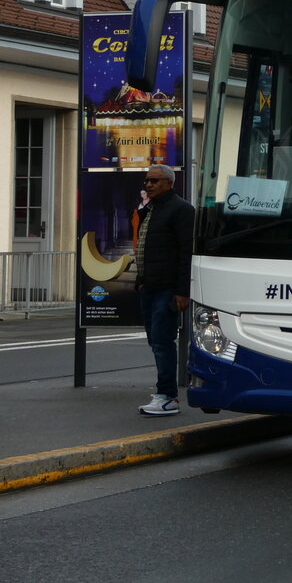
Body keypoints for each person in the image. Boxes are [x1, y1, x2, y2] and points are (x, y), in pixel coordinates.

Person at [133, 164, 194, 417]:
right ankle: (164, 394)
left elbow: (185, 252)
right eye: (147, 180)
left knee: (162, 341)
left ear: (170, 183)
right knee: (155, 340)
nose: (149, 185)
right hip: (150, 285)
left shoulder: (181, 209)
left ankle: (167, 396)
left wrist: (182, 291)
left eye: (155, 181)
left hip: (167, 288)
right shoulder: (152, 209)